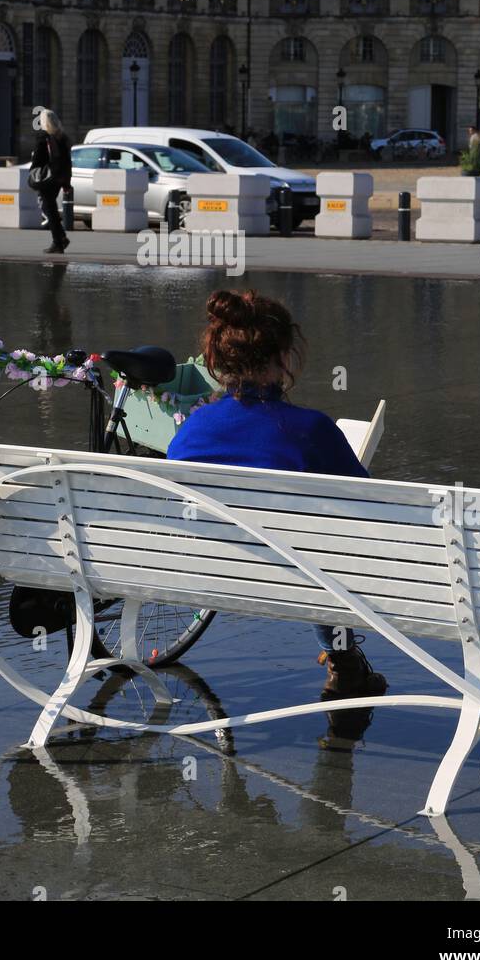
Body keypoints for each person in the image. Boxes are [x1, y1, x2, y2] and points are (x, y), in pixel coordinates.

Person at [167, 289, 387, 701]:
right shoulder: (310, 429)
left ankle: (345, 665)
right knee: (324, 539)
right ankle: (344, 663)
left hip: (202, 572)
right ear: (284, 356)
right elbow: (368, 505)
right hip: (292, 579)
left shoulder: (193, 428)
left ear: (220, 360)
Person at [30, 108, 72, 252]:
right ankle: (62, 238)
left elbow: (37, 159)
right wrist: (66, 183)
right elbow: (68, 162)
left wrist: (33, 173)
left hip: (46, 178)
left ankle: (58, 243)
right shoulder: (63, 137)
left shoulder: (43, 137)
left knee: (49, 209)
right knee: (51, 208)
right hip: (59, 178)